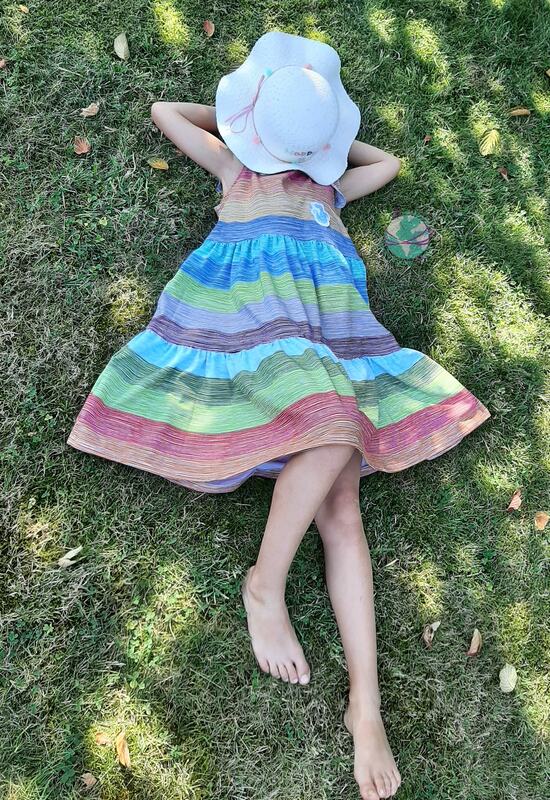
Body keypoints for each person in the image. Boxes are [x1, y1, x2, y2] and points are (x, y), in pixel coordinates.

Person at [67, 31, 491, 800]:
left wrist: (308, 135)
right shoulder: (236, 169)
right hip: (260, 338)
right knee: (335, 432)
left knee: (344, 511)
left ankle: (367, 706)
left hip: (334, 342)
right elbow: (166, 112)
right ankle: (264, 585)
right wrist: (257, 131)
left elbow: (386, 165)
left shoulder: (333, 192)